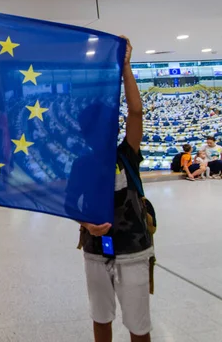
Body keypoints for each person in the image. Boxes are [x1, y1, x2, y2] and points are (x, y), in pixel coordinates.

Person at [77, 36, 154, 342]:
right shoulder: (81, 164)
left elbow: (136, 113)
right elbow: (71, 204)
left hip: (133, 249)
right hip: (96, 251)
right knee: (100, 317)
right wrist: (86, 225)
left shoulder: (126, 154)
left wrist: (125, 68)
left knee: (138, 323)